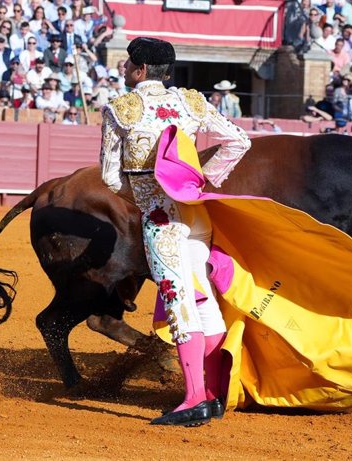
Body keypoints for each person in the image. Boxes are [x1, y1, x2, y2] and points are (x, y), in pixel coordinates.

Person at [96, 37, 251, 427]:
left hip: (162, 224)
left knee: (180, 300)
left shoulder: (121, 108)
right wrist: (202, 181)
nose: (125, 69)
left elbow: (110, 177)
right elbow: (239, 140)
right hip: (197, 216)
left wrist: (148, 197)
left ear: (141, 70)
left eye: (130, 63)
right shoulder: (191, 102)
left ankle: (194, 398)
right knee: (204, 302)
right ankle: (214, 395)